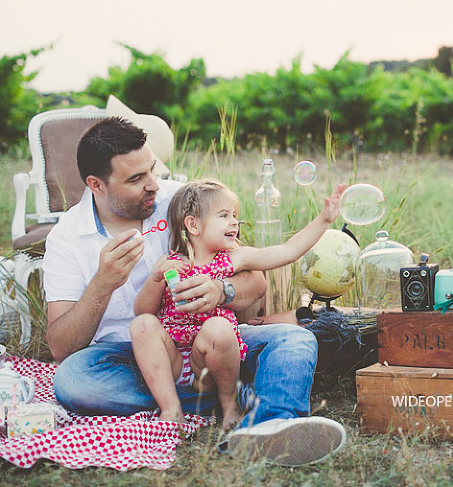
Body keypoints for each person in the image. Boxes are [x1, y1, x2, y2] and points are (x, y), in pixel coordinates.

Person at [42, 116, 346, 466]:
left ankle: (272, 424)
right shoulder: (67, 239)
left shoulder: (185, 202)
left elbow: (256, 281)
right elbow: (62, 347)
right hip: (139, 360)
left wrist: (222, 289)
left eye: (152, 170)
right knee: (73, 380)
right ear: (97, 185)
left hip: (217, 341)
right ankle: (234, 397)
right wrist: (103, 283)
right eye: (137, 179)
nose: (154, 185)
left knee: (296, 339)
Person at [131, 179, 345, 430]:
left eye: (235, 215)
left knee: (218, 327)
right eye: (224, 215)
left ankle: (229, 404)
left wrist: (324, 220)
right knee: (142, 325)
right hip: (173, 359)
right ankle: (171, 408)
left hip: (211, 361)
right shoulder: (170, 263)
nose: (235, 222)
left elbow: (287, 251)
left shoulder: (233, 259)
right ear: (193, 224)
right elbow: (144, 312)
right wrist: (155, 280)